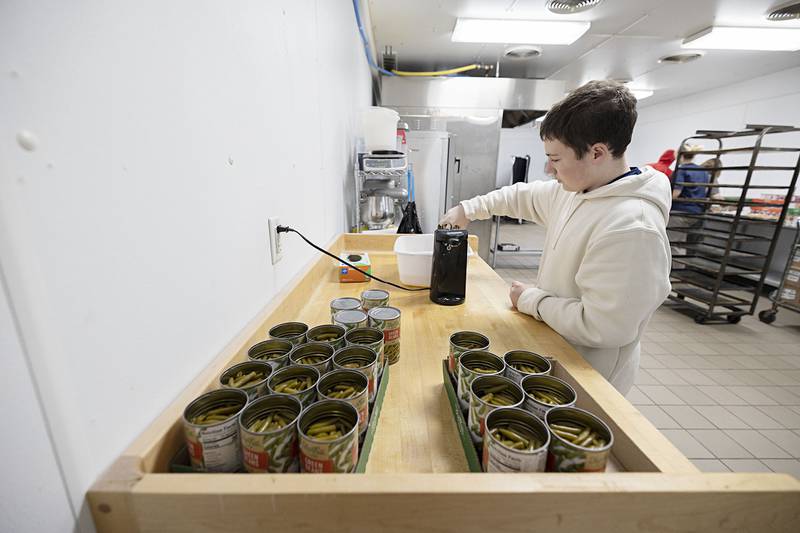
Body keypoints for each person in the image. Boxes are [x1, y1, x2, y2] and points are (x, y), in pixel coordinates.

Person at [439, 80, 671, 394]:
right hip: (554, 349)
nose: (549, 169)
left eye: (557, 159)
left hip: (589, 379)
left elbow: (602, 327)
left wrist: (532, 299)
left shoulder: (632, 229)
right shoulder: (579, 190)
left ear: (597, 153)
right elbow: (521, 196)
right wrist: (467, 209)